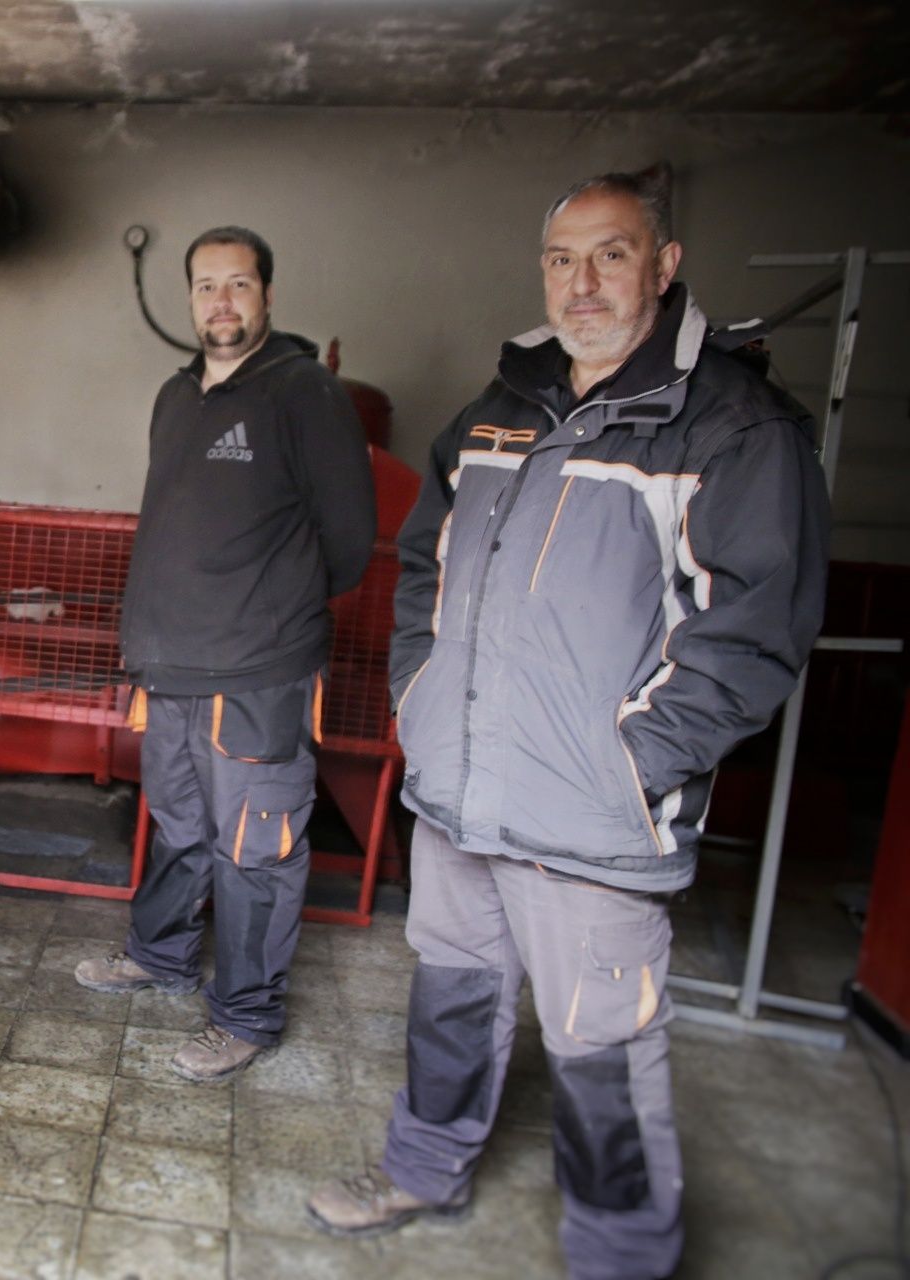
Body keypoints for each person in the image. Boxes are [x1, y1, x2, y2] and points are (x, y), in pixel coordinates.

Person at [306, 171, 829, 1278]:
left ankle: (621, 1252)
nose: (581, 282)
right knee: (452, 998)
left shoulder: (731, 424)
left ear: (665, 263)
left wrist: (631, 762)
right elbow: (422, 566)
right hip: (458, 790)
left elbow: (755, 631)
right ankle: (423, 1166)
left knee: (603, 1053)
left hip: (594, 814)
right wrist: (421, 692)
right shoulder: (496, 410)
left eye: (612, 254)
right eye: (561, 259)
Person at [75, 225, 375, 1082]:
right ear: (191, 299)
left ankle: (244, 1016)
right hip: (170, 666)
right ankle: (161, 955)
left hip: (257, 671)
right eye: (207, 286)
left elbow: (349, 541)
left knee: (257, 845)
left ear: (268, 296)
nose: (222, 302)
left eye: (239, 284)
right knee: (176, 825)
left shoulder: (305, 391)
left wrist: (267, 613)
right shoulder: (178, 396)